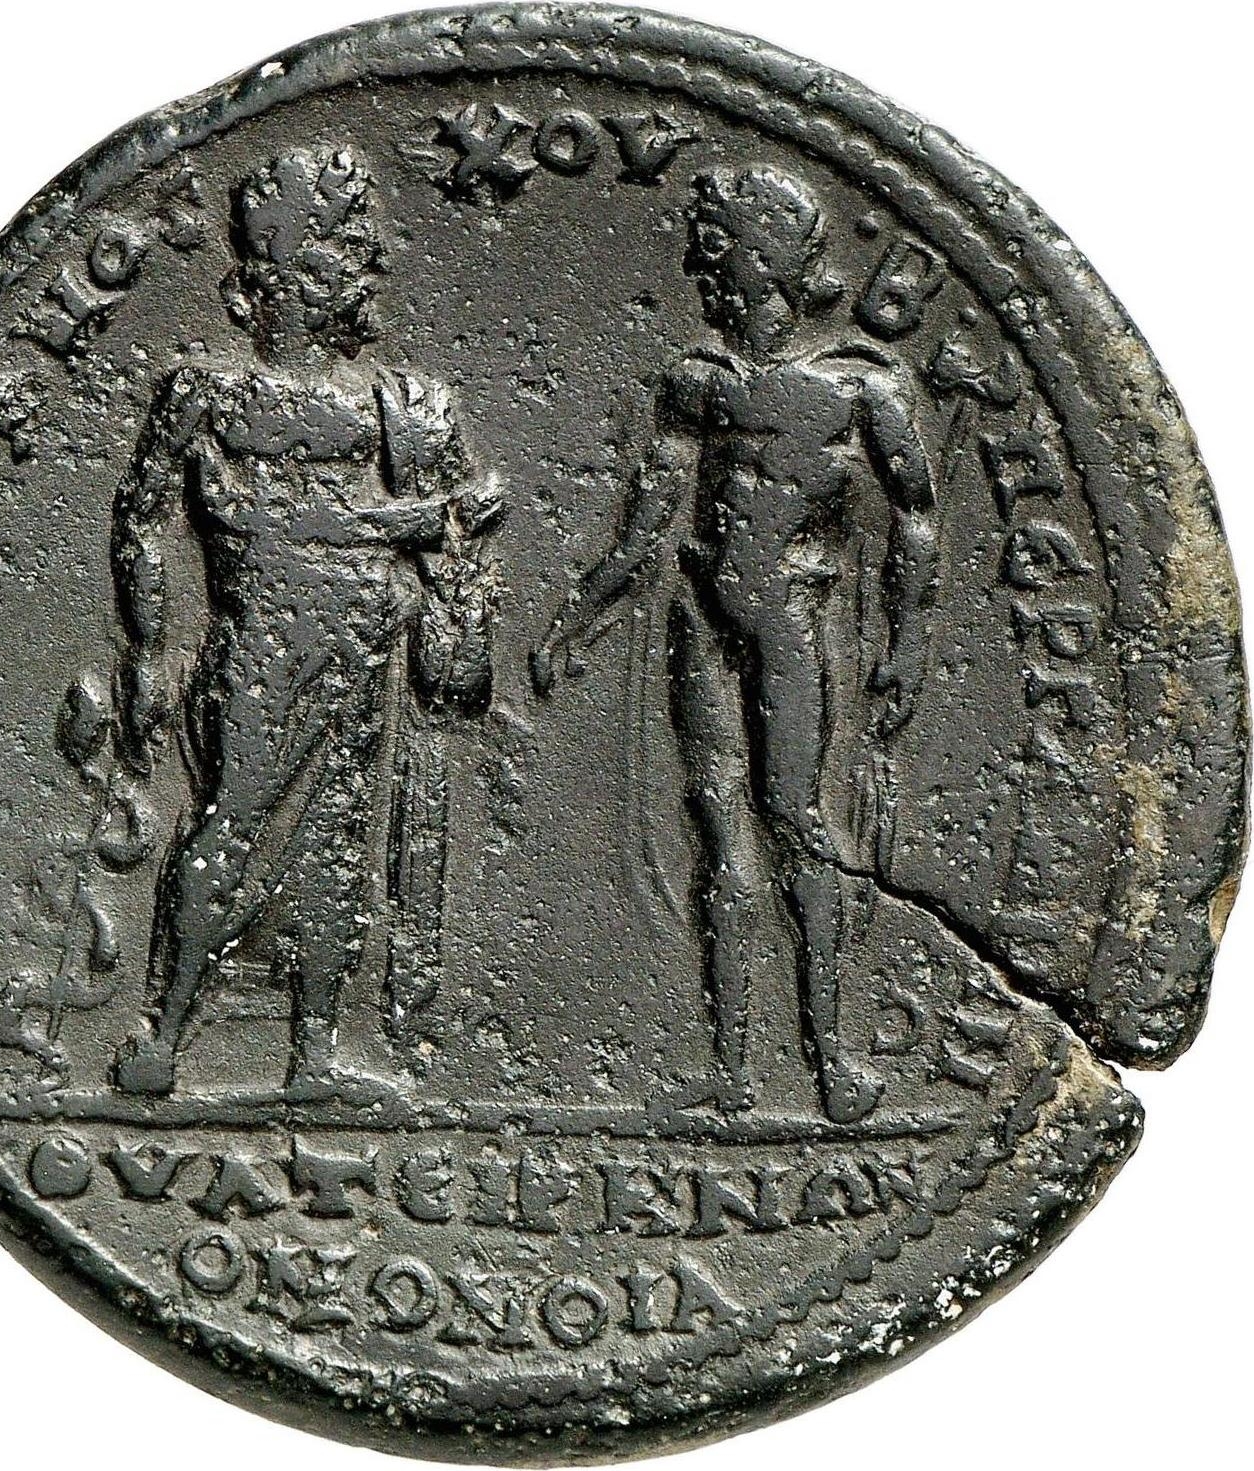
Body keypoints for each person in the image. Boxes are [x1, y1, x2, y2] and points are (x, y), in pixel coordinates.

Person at [532, 167, 939, 1124]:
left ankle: (829, 1057)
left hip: (791, 623)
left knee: (795, 822)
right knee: (719, 831)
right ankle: (733, 1070)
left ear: (755, 261)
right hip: (705, 621)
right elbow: (647, 524)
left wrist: (910, 642)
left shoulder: (860, 389)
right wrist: (576, 617)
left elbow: (917, 519)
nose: (697, 269)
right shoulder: (697, 384)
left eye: (710, 252)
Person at [111, 147, 500, 1097]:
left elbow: (439, 533)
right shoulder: (208, 395)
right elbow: (152, 519)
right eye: (334, 257)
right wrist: (149, 651)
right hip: (260, 649)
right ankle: (163, 1037)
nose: (360, 273)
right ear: (271, 279)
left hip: (363, 648)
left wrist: (444, 539)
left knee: (336, 845)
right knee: (232, 826)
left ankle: (314, 1052)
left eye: (356, 256)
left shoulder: (394, 405)